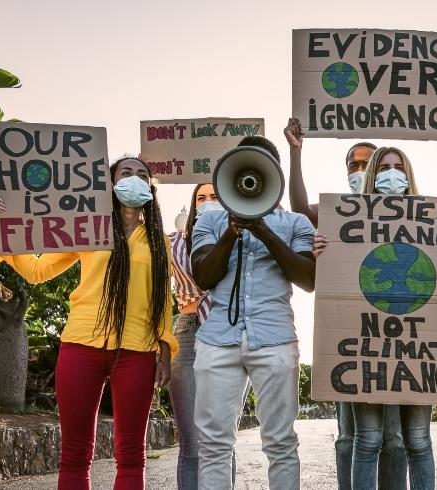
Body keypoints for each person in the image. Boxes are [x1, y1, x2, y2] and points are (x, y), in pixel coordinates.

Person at [0, 156, 176, 490]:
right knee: (74, 453)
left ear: (150, 186)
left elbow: (162, 301)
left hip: (136, 351)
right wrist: (1, 223)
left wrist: (165, 352)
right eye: (125, 173)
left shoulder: (160, 241)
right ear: (111, 183)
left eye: (142, 175)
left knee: (131, 455)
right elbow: (38, 271)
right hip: (81, 345)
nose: (134, 179)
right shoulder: (88, 227)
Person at [311, 140, 437, 490]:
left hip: (419, 351)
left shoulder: (431, 218)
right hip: (368, 348)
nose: (392, 175)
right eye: (385, 168)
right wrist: (324, 254)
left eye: (399, 168)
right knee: (367, 440)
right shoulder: (348, 223)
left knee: (418, 441)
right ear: (372, 176)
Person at [284, 118, 408, 490]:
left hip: (400, 335)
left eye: (369, 162)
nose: (363, 170)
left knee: (394, 438)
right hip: (351, 336)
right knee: (350, 435)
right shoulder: (338, 213)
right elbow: (300, 207)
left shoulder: (412, 212)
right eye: (355, 164)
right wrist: (295, 152)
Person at [190, 135, 316, 490]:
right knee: (214, 444)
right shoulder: (211, 221)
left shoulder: (296, 224)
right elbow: (203, 276)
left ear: (273, 176)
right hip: (217, 341)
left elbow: (307, 279)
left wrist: (262, 231)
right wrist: (231, 234)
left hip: (274, 341)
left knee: (280, 443)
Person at [167, 184, 223, 489]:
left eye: (214, 196)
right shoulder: (175, 241)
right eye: (201, 198)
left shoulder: (241, 237)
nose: (207, 202)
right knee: (191, 442)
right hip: (188, 330)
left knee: (220, 440)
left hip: (226, 331)